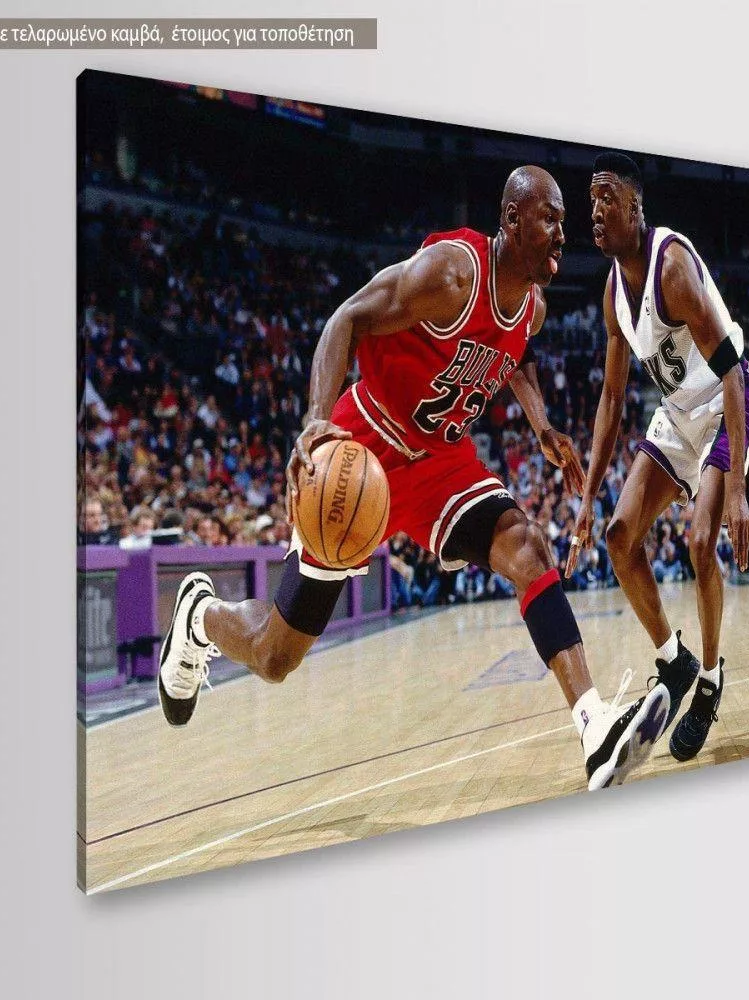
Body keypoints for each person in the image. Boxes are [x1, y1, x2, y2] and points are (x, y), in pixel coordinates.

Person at [157, 165, 670, 791]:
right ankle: (200, 617)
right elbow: (346, 318)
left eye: (565, 222)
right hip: (362, 455)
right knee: (273, 656)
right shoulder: (451, 274)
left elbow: (517, 358)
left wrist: (540, 425)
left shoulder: (532, 308)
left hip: (441, 464)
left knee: (527, 546)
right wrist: (317, 420)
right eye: (550, 220)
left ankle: (595, 728)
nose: (564, 235)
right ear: (512, 221)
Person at [568, 152, 749, 763]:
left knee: (701, 542)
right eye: (591, 200)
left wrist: (736, 489)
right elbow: (612, 398)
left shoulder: (670, 266)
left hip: (725, 400)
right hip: (677, 413)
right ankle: (673, 662)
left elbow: (731, 372)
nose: (595, 211)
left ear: (635, 207)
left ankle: (709, 679)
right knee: (619, 537)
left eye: (607, 199)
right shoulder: (612, 293)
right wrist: (588, 498)